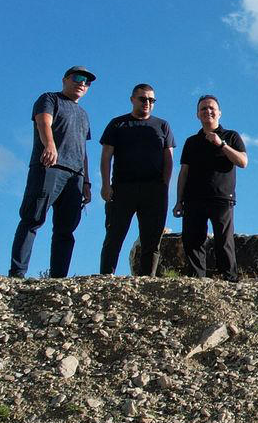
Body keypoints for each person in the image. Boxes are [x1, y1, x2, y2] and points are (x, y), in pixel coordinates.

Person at [9, 66, 95, 278]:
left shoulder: (84, 115)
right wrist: (50, 145)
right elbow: (43, 121)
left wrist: (86, 182)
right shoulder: (49, 99)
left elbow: (83, 150)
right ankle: (17, 274)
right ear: (65, 79)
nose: (82, 83)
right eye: (77, 78)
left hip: (75, 175)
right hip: (49, 167)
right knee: (33, 218)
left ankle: (58, 278)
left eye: (87, 81)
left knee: (66, 230)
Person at [97, 83, 175, 276]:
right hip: (122, 188)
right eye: (143, 99)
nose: (147, 103)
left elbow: (169, 158)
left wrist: (164, 186)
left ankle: (146, 280)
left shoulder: (162, 125)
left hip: (154, 189)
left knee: (152, 239)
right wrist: (106, 185)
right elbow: (106, 156)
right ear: (133, 99)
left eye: (151, 100)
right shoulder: (118, 123)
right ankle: (106, 278)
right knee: (114, 236)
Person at [173, 94, 247, 279]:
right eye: (203, 109)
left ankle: (229, 281)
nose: (208, 111)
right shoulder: (191, 142)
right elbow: (184, 173)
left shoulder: (231, 136)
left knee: (224, 241)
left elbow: (243, 161)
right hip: (193, 199)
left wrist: (221, 144)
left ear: (219, 113)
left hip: (221, 197)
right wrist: (178, 200)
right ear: (197, 115)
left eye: (211, 108)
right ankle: (197, 282)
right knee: (193, 240)